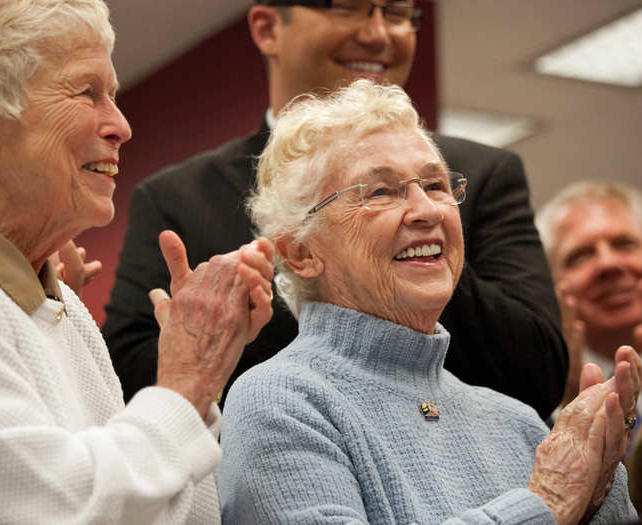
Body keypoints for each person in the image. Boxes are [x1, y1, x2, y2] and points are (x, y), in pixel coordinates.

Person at [104, 0, 567, 418]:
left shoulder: (483, 173)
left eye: (398, 11)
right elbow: (128, 384)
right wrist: (235, 328)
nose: (379, 33)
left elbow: (538, 375)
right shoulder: (177, 198)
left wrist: (418, 250)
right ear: (267, 28)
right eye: (347, 7)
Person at [217, 79, 638, 525]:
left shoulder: (517, 420)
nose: (428, 210)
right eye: (379, 191)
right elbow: (548, 505)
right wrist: (547, 503)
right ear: (300, 253)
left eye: (435, 185)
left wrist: (597, 492)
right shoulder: (280, 400)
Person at [0, 1, 273, 523]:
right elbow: (58, 510)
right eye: (86, 93)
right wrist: (185, 382)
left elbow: (174, 514)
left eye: (113, 97)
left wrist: (192, 379)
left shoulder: (63, 305)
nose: (121, 126)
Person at [536, 180, 642, 508]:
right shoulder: (536, 406)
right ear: (551, 285)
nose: (608, 264)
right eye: (579, 256)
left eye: (624, 244)